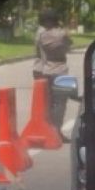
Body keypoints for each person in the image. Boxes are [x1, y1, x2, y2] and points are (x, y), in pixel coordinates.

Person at [32, 9, 72, 140]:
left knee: (46, 103)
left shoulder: (40, 33)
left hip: (43, 70)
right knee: (60, 103)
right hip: (60, 70)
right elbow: (68, 45)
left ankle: (48, 130)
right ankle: (56, 131)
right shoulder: (61, 34)